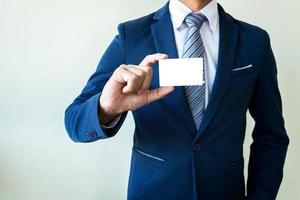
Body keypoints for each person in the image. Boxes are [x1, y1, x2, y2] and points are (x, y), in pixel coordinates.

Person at [64, 0, 289, 199]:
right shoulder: (131, 35)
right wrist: (106, 109)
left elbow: (271, 135)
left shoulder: (254, 40)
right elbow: (75, 122)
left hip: (225, 191)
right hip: (154, 191)